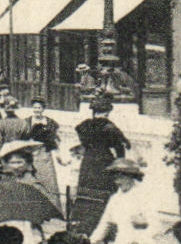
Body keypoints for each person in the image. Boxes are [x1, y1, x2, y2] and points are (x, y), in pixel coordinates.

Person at [72, 93, 130, 236]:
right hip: (104, 162)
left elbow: (82, 137)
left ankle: (83, 226)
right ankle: (103, 227)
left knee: (86, 192)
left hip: (89, 161)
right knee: (104, 194)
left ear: (94, 111)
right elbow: (120, 147)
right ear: (107, 112)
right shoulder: (110, 127)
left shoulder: (84, 125)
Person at [24, 98, 63, 209]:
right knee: (31, 181)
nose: (37, 110)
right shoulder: (26, 122)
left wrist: (58, 154)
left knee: (48, 181)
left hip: (45, 154)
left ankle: (52, 208)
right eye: (35, 108)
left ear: (43, 109)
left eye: (39, 108)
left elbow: (55, 140)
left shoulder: (50, 123)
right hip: (31, 154)